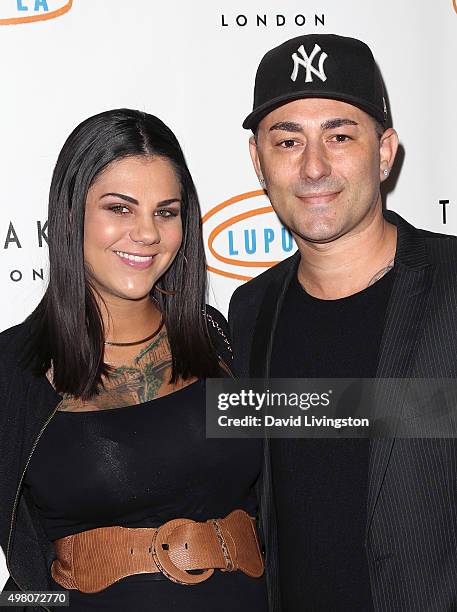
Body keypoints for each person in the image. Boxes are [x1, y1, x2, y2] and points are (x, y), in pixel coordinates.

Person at [0, 109, 267, 612]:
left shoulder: (222, 338)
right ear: (70, 213)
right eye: (120, 209)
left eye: (165, 212)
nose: (147, 233)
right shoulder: (13, 373)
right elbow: (30, 584)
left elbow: (342, 433)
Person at [229, 34, 457, 611]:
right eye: (287, 141)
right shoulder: (251, 311)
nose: (314, 167)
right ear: (258, 161)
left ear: (384, 152)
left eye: (339, 135)